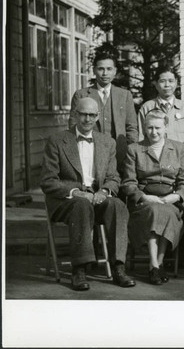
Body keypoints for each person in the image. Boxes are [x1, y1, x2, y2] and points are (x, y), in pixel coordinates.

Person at [40, 97, 135, 291]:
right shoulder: (57, 140)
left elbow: (113, 177)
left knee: (117, 205)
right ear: (75, 114)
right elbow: (48, 181)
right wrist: (75, 192)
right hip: (66, 201)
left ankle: (118, 267)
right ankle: (79, 269)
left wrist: (104, 191)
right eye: (83, 114)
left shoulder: (107, 142)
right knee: (81, 205)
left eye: (92, 115)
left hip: (96, 197)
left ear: (98, 117)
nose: (87, 119)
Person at [137, 66, 184, 269]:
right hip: (153, 166)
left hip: (179, 168)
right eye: (162, 81)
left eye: (171, 81)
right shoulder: (147, 107)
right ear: (155, 84)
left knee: (182, 214)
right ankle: (158, 261)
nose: (167, 85)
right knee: (156, 213)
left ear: (176, 84)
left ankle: (179, 260)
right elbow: (140, 137)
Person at [121, 110, 184, 285]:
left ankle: (156, 266)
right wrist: (144, 197)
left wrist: (176, 196)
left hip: (170, 200)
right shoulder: (134, 149)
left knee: (164, 212)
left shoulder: (179, 148)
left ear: (166, 127)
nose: (154, 132)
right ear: (144, 128)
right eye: (150, 128)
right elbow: (128, 182)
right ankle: (156, 265)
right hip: (145, 202)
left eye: (158, 128)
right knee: (154, 211)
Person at [69, 51, 138, 171]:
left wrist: (132, 154)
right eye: (101, 69)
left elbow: (131, 128)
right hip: (90, 154)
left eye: (109, 69)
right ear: (94, 70)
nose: (105, 73)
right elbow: (73, 126)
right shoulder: (81, 95)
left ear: (115, 71)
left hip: (119, 156)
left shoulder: (125, 95)